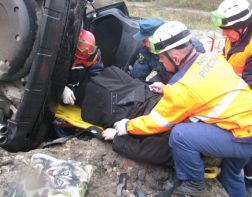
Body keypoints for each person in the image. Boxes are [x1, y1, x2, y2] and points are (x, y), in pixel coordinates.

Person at [102, 21, 252, 197]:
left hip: (243, 135)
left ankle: (192, 184)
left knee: (180, 135)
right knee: (231, 175)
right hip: (243, 122)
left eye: (162, 57)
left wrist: (125, 127)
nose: (159, 60)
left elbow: (158, 122)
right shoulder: (211, 58)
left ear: (176, 58)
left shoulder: (185, 89)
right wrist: (166, 88)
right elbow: (203, 91)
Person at [211, 0, 252, 187]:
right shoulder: (233, 36)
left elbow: (248, 88)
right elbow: (226, 58)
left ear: (242, 27)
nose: (223, 34)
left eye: (227, 30)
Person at [129, 18, 205, 83]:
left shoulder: (193, 47)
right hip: (163, 77)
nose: (142, 44)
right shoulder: (146, 50)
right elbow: (137, 74)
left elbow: (200, 77)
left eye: (145, 41)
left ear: (156, 39)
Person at [61, 29, 104, 106]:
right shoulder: (65, 50)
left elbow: (97, 78)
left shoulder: (93, 57)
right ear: (75, 43)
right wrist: (61, 88)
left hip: (76, 88)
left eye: (89, 49)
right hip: (60, 84)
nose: (85, 50)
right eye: (81, 46)